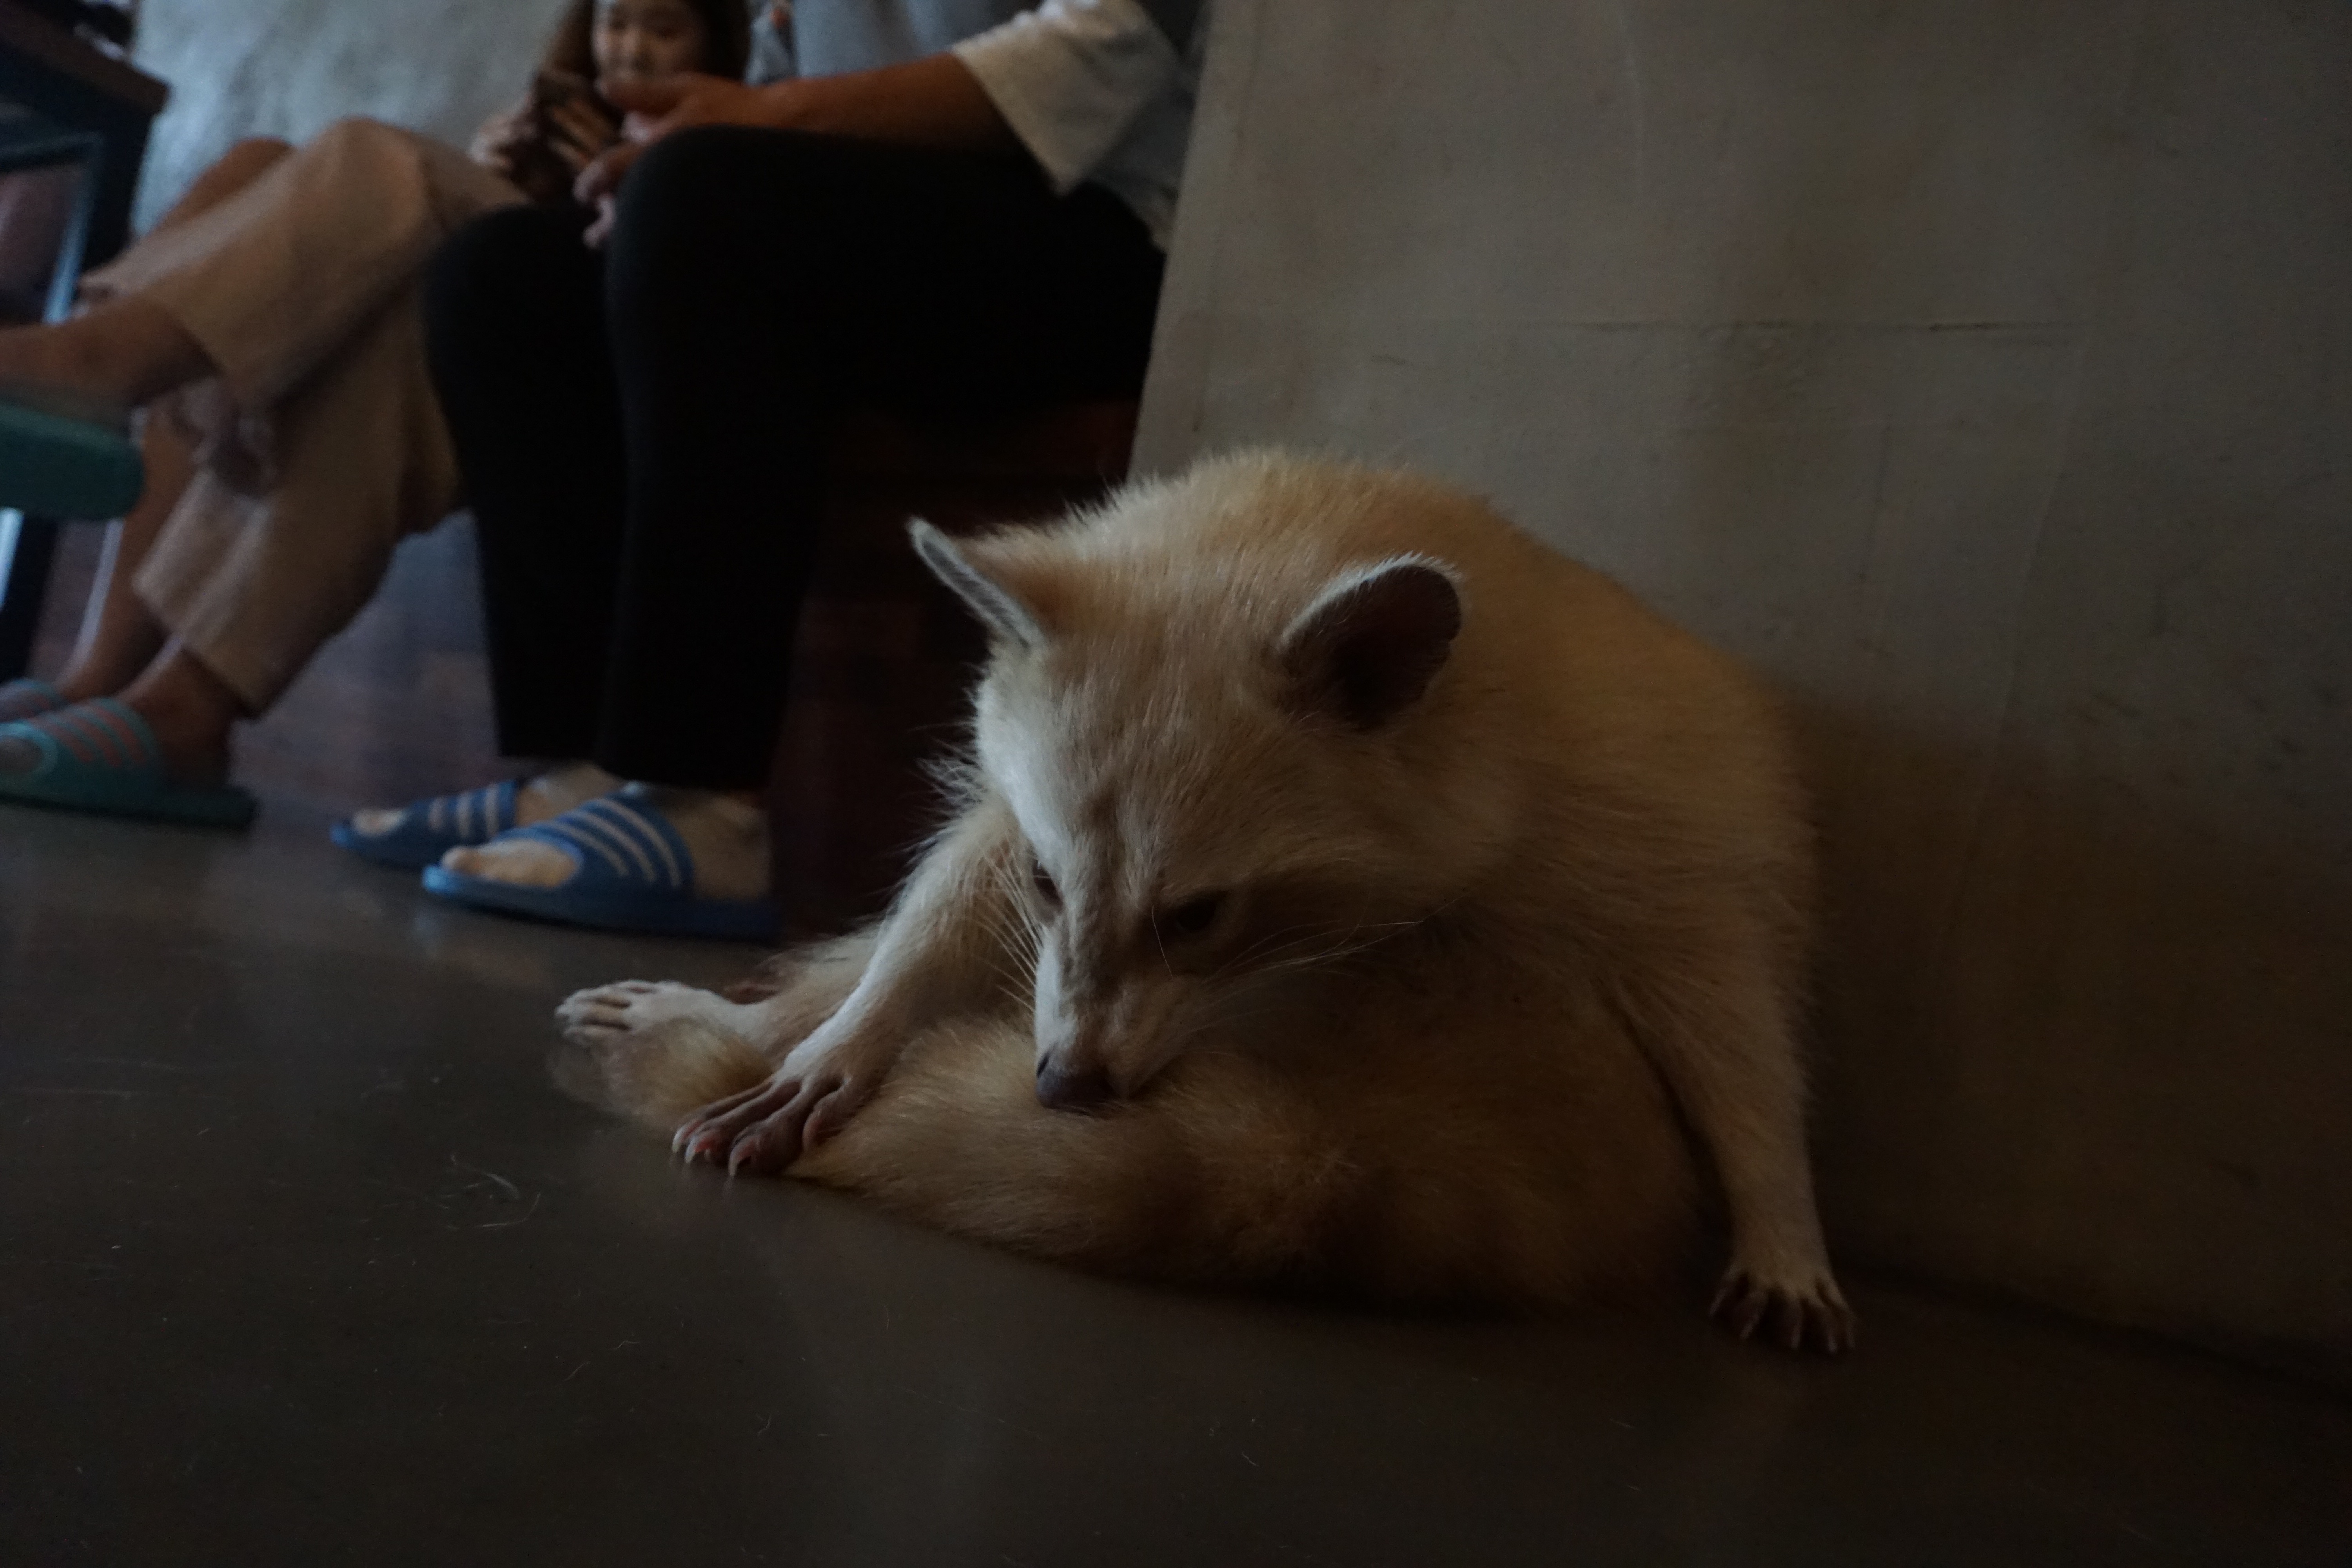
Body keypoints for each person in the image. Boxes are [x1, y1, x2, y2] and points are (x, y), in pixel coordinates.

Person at [357, 0, 1205, 941]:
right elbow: (781, 71)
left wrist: (758, 126)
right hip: (869, 201)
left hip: (1099, 223)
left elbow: (1115, 38)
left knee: (703, 196)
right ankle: (586, 773)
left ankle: (701, 804)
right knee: (501, 273)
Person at [0, 0, 753, 828]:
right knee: (254, 166)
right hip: (532, 279)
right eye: (616, 23)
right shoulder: (557, 120)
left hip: (620, 297)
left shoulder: (743, 119)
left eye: (665, 29)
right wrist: (506, 167)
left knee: (386, 168)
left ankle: (89, 371)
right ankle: (104, 677)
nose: (632, 49)